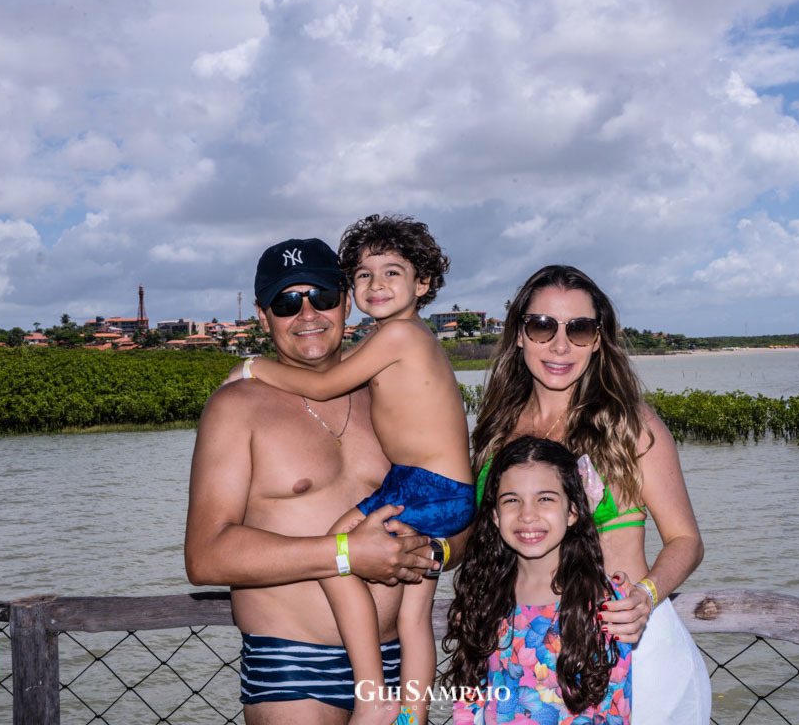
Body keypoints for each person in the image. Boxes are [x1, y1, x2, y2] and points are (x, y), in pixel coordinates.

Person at [225, 215, 474, 725]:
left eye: (391, 273)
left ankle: (374, 697)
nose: (376, 285)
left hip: (421, 490)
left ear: (422, 283)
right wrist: (414, 551)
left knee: (342, 550)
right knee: (409, 610)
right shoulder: (239, 408)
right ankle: (411, 712)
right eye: (364, 276)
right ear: (263, 313)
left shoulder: (392, 346)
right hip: (292, 664)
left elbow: (322, 385)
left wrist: (251, 367)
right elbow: (204, 556)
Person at [470, 265, 711, 724]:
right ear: (519, 334)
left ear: (598, 340)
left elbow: (686, 540)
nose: (560, 345)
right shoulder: (496, 430)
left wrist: (646, 594)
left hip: (630, 650)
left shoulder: (629, 426)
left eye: (579, 329)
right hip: (522, 656)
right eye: (542, 326)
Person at [443, 436, 632, 724]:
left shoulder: (604, 602)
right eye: (511, 500)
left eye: (544, 499)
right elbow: (470, 699)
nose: (527, 515)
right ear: (495, 515)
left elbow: (615, 709)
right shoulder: (483, 596)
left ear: (572, 512)